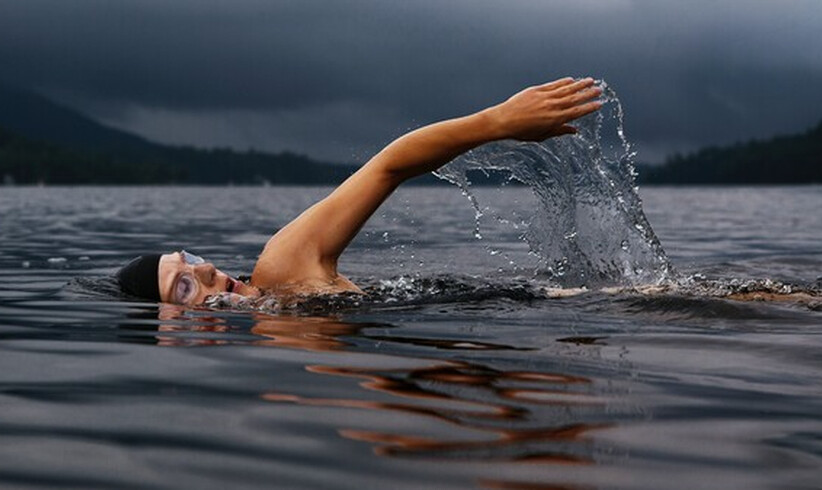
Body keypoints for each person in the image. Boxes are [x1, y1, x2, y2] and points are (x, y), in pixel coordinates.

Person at [117, 77, 604, 305]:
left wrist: (497, 122)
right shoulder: (278, 345)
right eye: (183, 286)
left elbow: (387, 167)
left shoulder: (282, 270)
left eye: (190, 259)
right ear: (172, 331)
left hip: (569, 303)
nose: (205, 269)